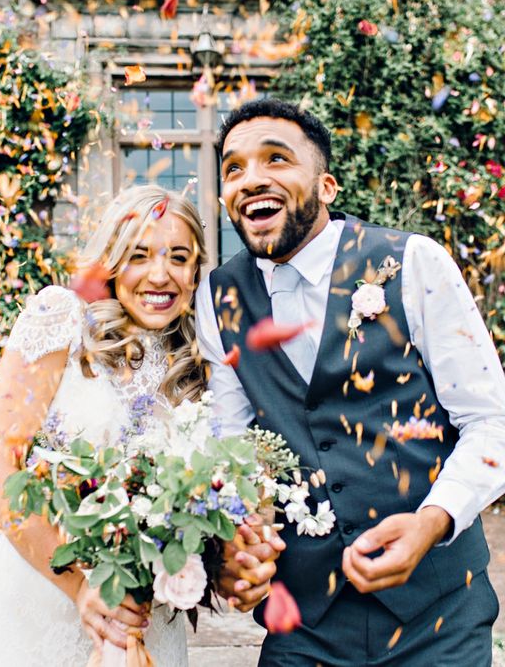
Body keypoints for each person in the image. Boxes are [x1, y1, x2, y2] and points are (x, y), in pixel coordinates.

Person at [195, 98, 505, 665]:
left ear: (328, 186)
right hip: (303, 623)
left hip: (438, 621)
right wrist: (239, 542)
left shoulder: (413, 263)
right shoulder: (218, 299)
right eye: (234, 168)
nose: (251, 178)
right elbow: (231, 449)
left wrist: (433, 522)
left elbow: (491, 421)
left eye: (276, 159)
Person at [0, 185, 207, 666]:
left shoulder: (196, 357)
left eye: (178, 257)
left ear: (196, 270)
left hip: (144, 617)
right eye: (139, 255)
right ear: (111, 259)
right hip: (38, 595)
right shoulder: (62, 317)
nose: (160, 275)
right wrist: (82, 587)